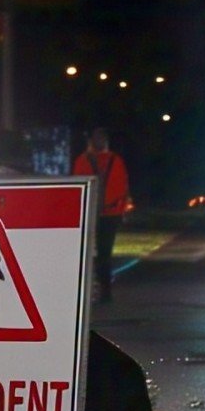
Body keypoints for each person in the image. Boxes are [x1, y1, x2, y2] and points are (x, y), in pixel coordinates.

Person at [73, 127, 130, 303]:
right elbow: (123, 189)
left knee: (85, 253)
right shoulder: (116, 161)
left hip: (89, 212)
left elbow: (76, 188)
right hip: (111, 214)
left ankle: (87, 290)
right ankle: (105, 291)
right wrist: (121, 211)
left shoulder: (82, 161)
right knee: (105, 253)